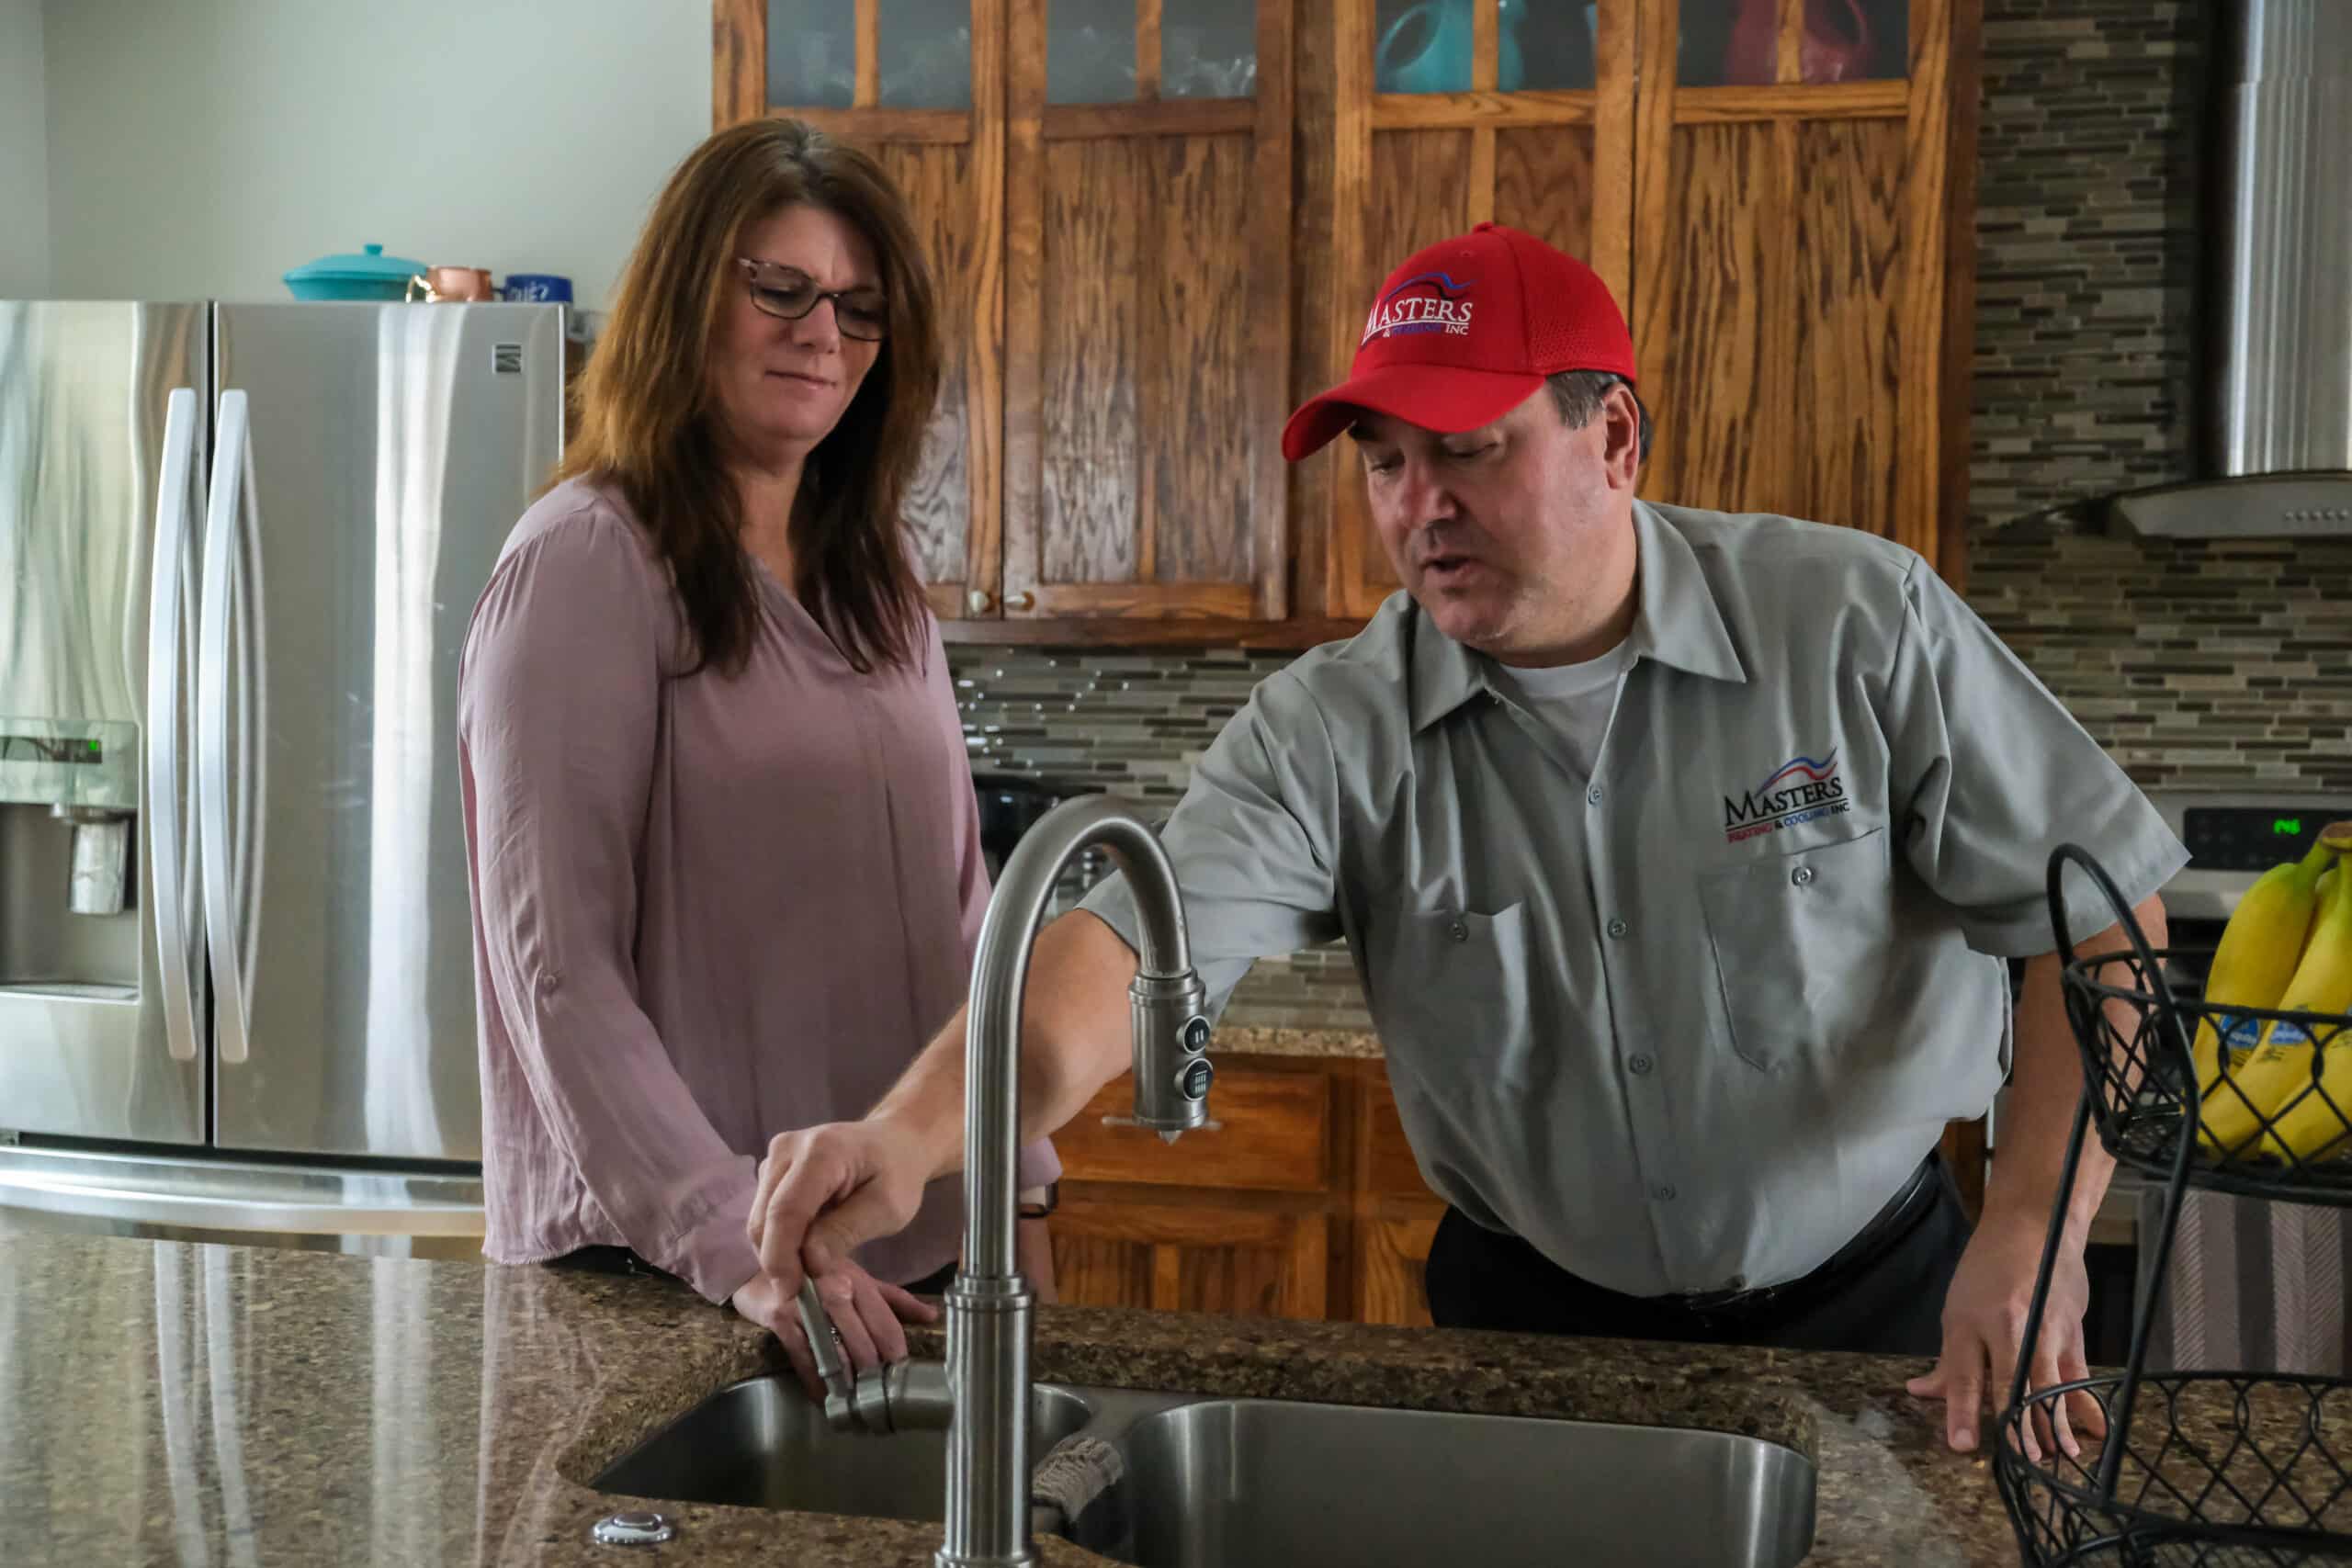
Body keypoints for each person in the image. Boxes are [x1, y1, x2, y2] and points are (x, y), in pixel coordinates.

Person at [741, 221, 2181, 1461]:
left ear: (1613, 436)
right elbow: (1124, 956)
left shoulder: (1857, 625)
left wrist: (2037, 1228)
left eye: (1467, 452)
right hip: (1528, 1340)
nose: (1417, 507)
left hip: (1887, 1315)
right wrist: (910, 1136)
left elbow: (2102, 917)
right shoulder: (1330, 728)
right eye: (1383, 463)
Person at [456, 118, 1058, 1394]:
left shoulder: (876, 577)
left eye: (859, 307)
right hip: (689, 1280)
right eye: (779, 289)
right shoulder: (584, 565)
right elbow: (555, 971)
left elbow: (963, 911)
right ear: (687, 297)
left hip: (914, 1258)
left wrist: (1020, 1182)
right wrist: (742, 1247)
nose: (821, 333)